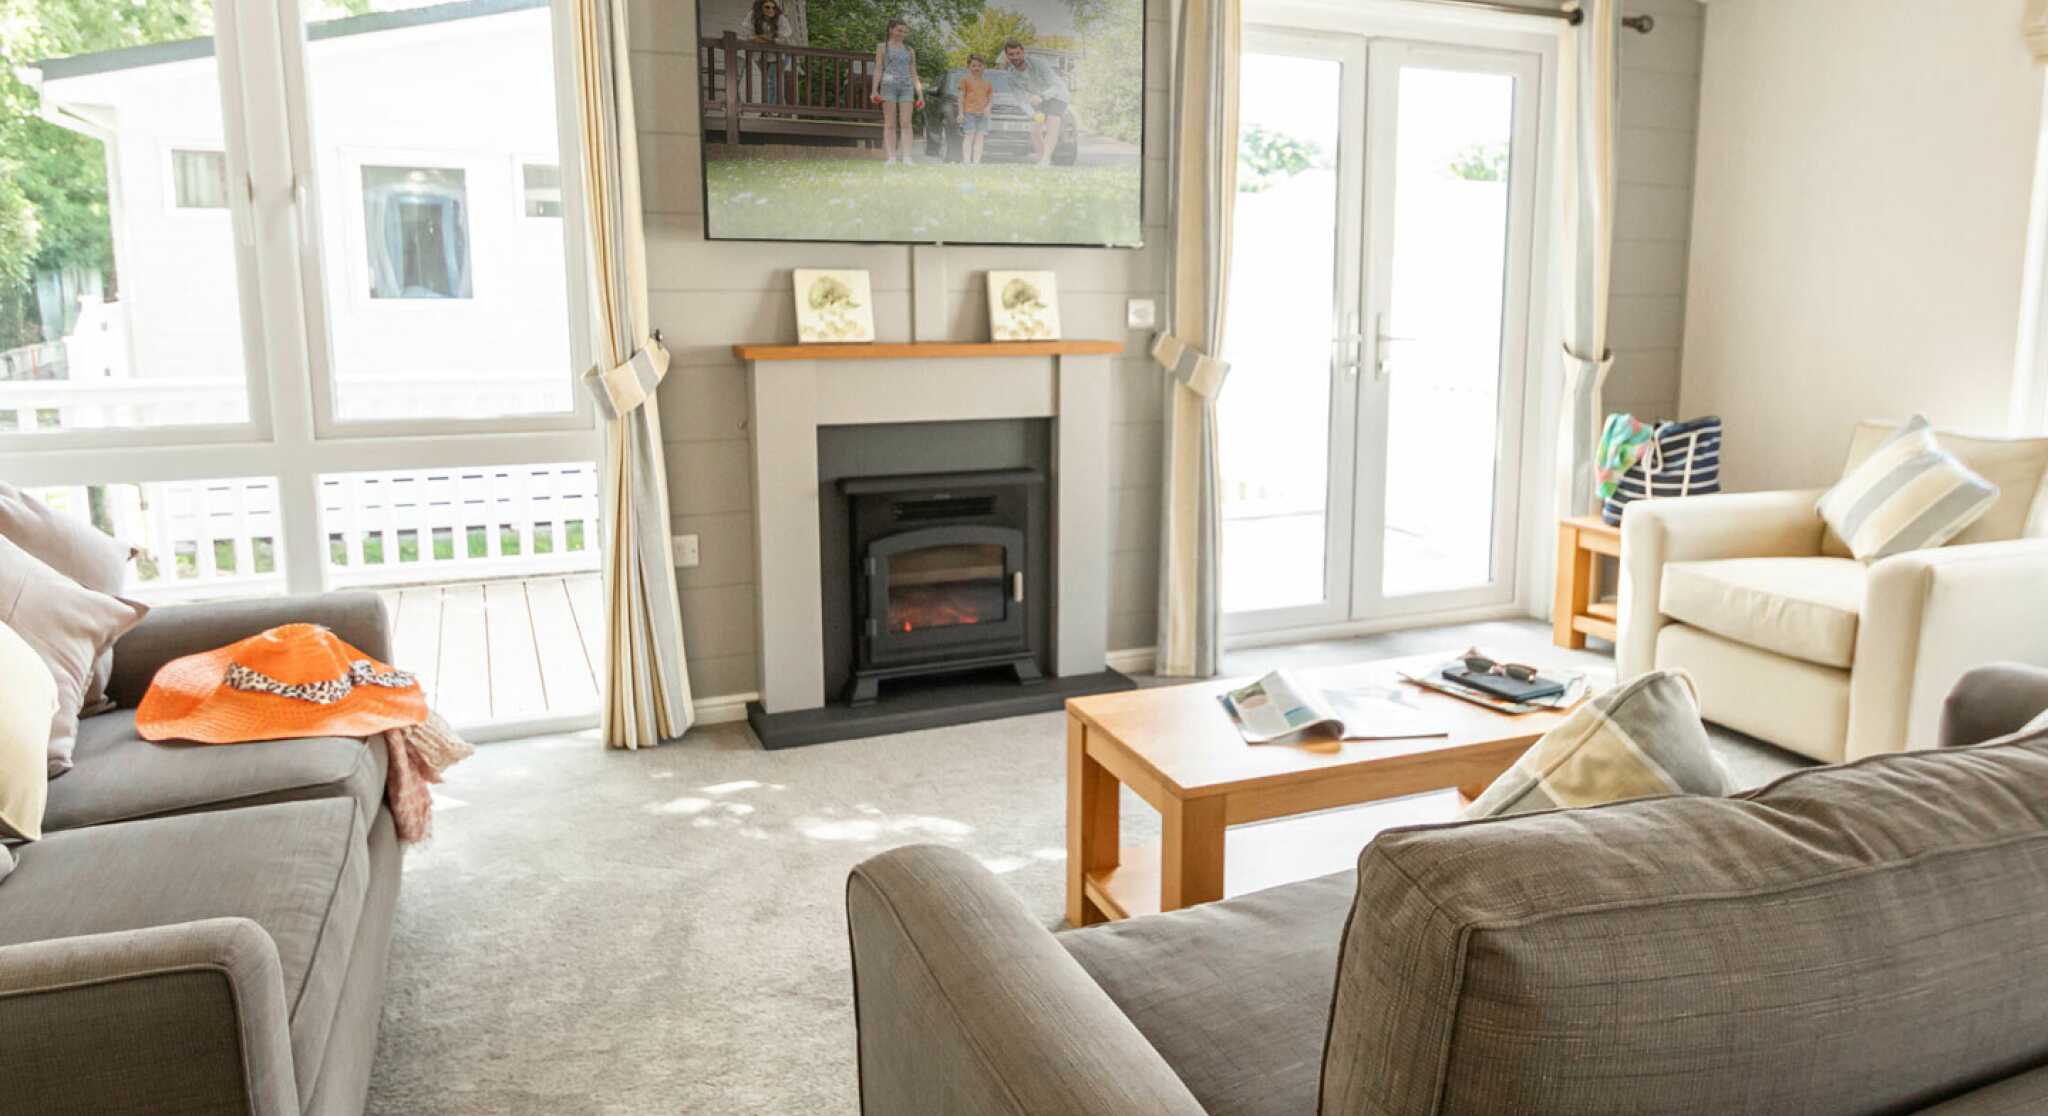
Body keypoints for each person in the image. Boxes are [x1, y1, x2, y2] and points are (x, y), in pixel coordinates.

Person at [1001, 39, 1070, 167]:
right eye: (1011, 54)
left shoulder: (1039, 63)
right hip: (1040, 99)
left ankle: (1044, 160)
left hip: (1058, 95)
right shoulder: (1011, 76)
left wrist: (1041, 96)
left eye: (1017, 53)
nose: (1015, 57)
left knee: (1052, 122)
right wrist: (1032, 114)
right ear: (1007, 55)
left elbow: (1056, 86)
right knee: (1034, 130)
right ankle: (1043, 160)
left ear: (1023, 52)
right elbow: (1021, 100)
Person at [869, 19, 924, 165]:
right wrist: (874, 90)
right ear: (891, 30)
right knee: (890, 124)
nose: (902, 34)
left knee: (906, 123)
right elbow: (878, 69)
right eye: (899, 30)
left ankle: (907, 157)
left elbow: (914, 73)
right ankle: (891, 157)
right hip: (888, 87)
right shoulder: (882, 47)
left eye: (905, 31)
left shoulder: (909, 51)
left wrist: (920, 94)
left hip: (906, 87)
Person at [745, 0, 791, 106]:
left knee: (772, 82)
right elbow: (748, 35)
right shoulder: (752, 16)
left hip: (780, 54)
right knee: (771, 82)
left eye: (773, 7)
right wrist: (768, 38)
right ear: (760, 8)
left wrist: (760, 37)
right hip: (760, 55)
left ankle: (769, 109)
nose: (771, 10)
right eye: (767, 7)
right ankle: (780, 108)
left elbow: (782, 38)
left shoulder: (780, 18)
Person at [955, 53, 994, 165]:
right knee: (969, 136)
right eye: (974, 65)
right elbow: (961, 98)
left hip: (983, 115)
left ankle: (976, 162)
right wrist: (961, 113)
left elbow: (990, 98)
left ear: (984, 67)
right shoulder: (965, 80)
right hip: (969, 113)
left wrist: (988, 108)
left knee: (980, 137)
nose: (977, 68)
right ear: (969, 67)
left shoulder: (988, 83)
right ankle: (967, 161)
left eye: (979, 65)